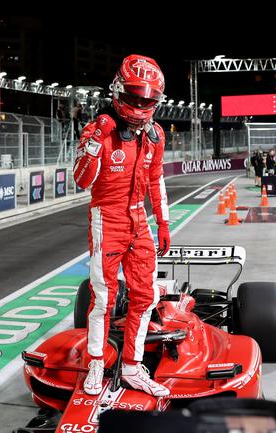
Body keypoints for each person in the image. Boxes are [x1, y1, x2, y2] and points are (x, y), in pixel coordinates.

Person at [73, 54, 170, 397]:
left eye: (147, 99)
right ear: (117, 91)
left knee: (145, 297)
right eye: (133, 96)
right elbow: (82, 181)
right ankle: (95, 362)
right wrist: (97, 141)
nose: (140, 104)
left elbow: (156, 179)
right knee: (103, 298)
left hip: (139, 219)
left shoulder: (156, 134)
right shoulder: (100, 127)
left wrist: (164, 222)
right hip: (106, 217)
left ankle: (131, 366)